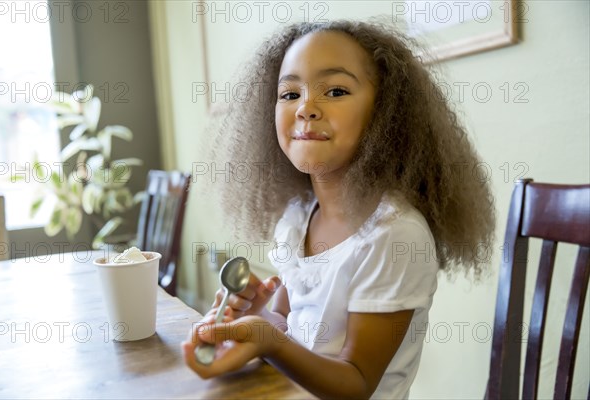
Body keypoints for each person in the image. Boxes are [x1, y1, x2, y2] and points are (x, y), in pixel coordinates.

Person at [182, 19, 495, 399]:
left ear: (386, 112)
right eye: (289, 93)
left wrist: (267, 341)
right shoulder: (298, 217)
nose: (306, 108)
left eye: (335, 90)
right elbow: (290, 327)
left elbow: (356, 384)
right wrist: (257, 315)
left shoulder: (394, 235)